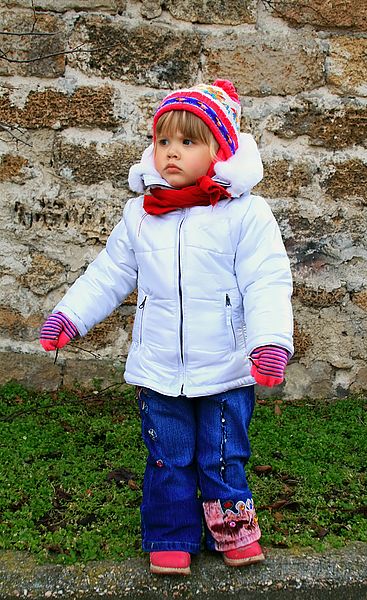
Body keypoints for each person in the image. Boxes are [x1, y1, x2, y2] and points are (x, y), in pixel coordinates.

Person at [39, 80, 294, 576]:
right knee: (168, 458)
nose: (172, 152)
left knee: (222, 457)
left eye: (188, 141)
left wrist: (269, 343)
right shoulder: (141, 215)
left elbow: (267, 280)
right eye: (163, 141)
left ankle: (232, 531)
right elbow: (109, 273)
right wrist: (70, 315)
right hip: (159, 368)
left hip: (225, 367)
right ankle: (170, 535)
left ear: (220, 151)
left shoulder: (245, 214)